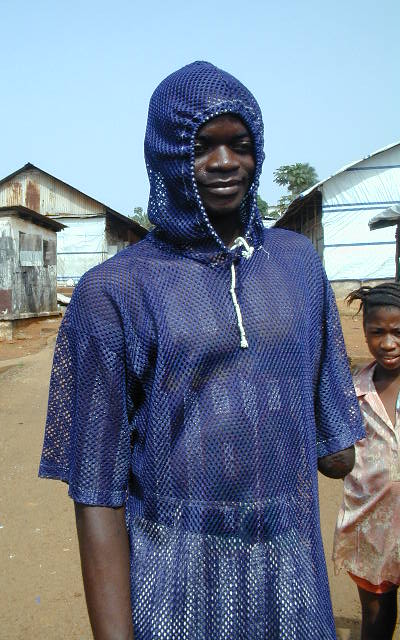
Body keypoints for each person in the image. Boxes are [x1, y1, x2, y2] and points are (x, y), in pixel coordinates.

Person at [39, 61, 365, 639]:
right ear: (164, 154)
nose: (224, 162)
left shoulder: (296, 264)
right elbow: (97, 492)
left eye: (240, 145)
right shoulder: (116, 290)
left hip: (290, 571)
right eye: (200, 146)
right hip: (175, 578)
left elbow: (336, 454)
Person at [334, 284, 400, 640]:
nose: (388, 343)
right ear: (364, 332)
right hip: (371, 526)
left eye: (398, 332)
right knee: (376, 613)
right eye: (378, 332)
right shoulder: (351, 391)